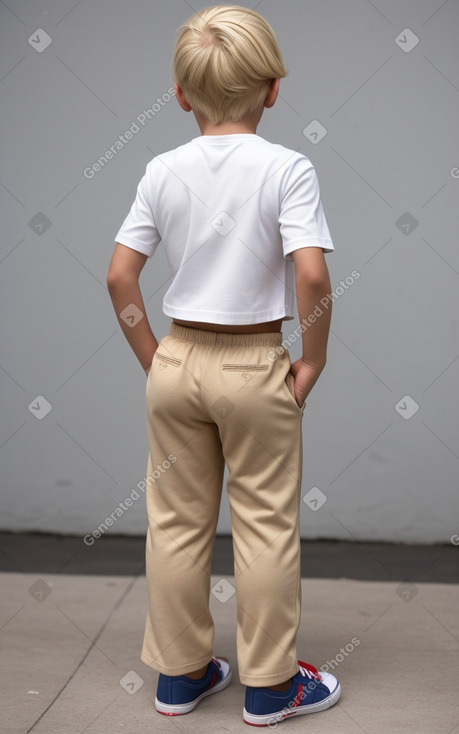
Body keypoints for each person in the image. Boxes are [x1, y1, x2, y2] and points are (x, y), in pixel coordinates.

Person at [107, 4, 341, 727]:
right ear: (274, 88)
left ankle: (179, 677)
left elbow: (120, 277)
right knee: (265, 522)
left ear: (179, 94)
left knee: (174, 522)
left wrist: (156, 359)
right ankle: (270, 688)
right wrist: (311, 359)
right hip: (253, 363)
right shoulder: (287, 168)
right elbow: (309, 274)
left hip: (177, 357)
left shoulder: (161, 168)